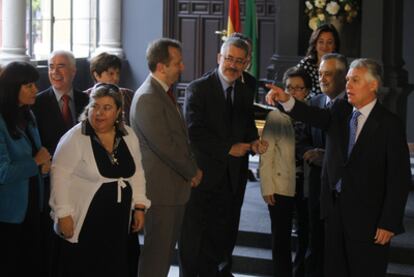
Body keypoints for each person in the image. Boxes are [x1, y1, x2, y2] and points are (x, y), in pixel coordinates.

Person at [266, 58, 411, 277]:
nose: (348, 85)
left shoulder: (390, 124)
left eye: (355, 80)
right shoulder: (340, 110)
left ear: (373, 85)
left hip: (369, 222)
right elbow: (313, 115)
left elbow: (399, 178)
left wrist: (389, 222)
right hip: (334, 215)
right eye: (347, 80)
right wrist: (286, 100)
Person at [180, 37, 268, 277]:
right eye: (229, 58)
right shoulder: (198, 88)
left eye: (239, 61)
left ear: (247, 63)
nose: (232, 65)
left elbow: (246, 121)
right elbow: (194, 132)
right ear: (219, 58)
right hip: (204, 174)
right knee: (196, 235)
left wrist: (253, 142)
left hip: (234, 176)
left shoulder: (247, 84)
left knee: (226, 232)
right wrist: (229, 148)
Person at [50, 83, 150, 277]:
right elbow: (59, 176)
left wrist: (139, 206)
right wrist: (63, 214)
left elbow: (137, 173)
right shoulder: (75, 137)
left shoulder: (128, 135)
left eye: (107, 108)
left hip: (118, 221)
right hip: (86, 221)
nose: (99, 113)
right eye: (95, 106)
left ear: (119, 111)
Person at [129, 38, 202, 277]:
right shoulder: (149, 97)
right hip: (160, 192)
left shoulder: (162, 93)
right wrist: (192, 170)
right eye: (178, 63)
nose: (182, 67)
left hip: (171, 189)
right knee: (156, 259)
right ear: (161, 66)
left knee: (162, 256)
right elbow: (166, 146)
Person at [32, 49, 89, 276]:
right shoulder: (36, 104)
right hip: (50, 186)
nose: (55, 72)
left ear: (74, 71)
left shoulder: (87, 101)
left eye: (61, 66)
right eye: (51, 67)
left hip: (84, 184)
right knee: (51, 247)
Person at [0, 61, 51, 276]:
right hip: (9, 213)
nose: (35, 90)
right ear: (13, 88)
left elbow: (37, 155)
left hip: (33, 205)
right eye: (28, 85)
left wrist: (44, 167)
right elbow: (3, 172)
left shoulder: (28, 115)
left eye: (34, 85)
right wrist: (36, 162)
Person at [260, 66, 311, 277]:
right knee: (280, 237)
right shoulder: (276, 116)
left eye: (299, 88)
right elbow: (267, 155)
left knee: (306, 235)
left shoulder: (313, 114)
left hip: (307, 184)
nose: (293, 92)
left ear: (307, 91)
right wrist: (267, 186)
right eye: (289, 87)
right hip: (281, 184)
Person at [300, 53, 348, 277]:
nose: (322, 79)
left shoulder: (353, 106)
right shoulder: (315, 103)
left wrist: (326, 155)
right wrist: (308, 152)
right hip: (316, 186)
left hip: (343, 193)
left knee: (337, 249)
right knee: (314, 242)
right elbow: (302, 138)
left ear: (342, 76)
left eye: (327, 74)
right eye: (319, 74)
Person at [86, 52, 134, 125]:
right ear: (96, 75)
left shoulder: (128, 95)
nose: (116, 78)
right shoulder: (85, 97)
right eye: (111, 73)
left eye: (117, 73)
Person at [296, 24, 340, 98]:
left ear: (335, 45)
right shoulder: (305, 64)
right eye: (321, 42)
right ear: (315, 44)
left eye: (329, 42)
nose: (325, 46)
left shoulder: (340, 65)